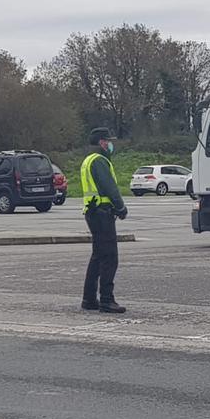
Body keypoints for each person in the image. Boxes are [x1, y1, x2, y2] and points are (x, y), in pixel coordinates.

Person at [81, 127, 128, 314]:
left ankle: (89, 298)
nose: (110, 144)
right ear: (102, 142)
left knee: (98, 256)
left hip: (92, 211)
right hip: (102, 212)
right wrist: (121, 207)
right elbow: (110, 188)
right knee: (110, 257)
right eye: (108, 141)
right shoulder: (100, 161)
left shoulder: (88, 159)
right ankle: (107, 300)